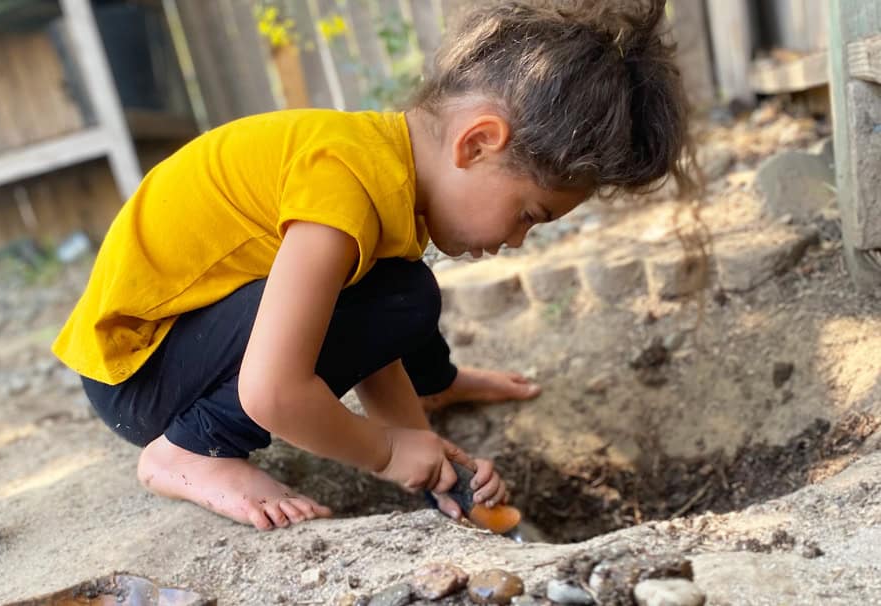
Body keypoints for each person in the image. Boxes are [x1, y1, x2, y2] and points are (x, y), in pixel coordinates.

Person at [52, 0, 693, 531]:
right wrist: (384, 452)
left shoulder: (382, 172)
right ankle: (190, 451)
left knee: (401, 293)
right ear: (478, 143)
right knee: (406, 296)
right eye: (529, 214)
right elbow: (272, 391)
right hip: (141, 375)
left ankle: (434, 386)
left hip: (184, 342)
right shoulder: (344, 190)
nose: (519, 240)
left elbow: (365, 338)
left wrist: (431, 462)